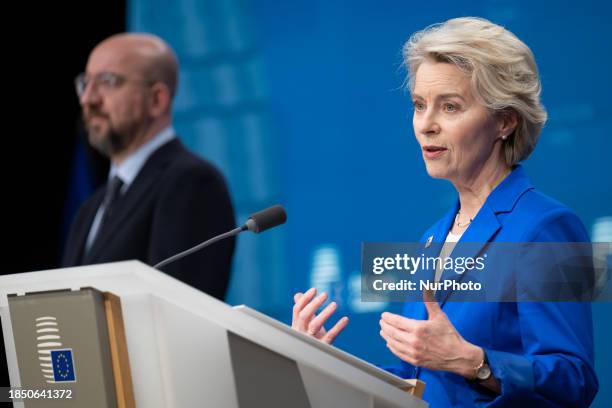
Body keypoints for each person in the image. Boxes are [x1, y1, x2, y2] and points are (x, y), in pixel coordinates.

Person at [291, 17, 598, 406]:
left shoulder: (545, 227)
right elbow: (416, 381)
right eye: (419, 105)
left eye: (450, 107)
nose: (426, 125)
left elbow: (576, 380)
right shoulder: (434, 236)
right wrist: (323, 363)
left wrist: (475, 363)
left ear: (505, 120)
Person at [62, 33, 235, 300]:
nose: (88, 99)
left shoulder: (192, 182)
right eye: (85, 83)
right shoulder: (90, 208)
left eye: (107, 82)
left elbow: (181, 313)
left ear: (157, 99)